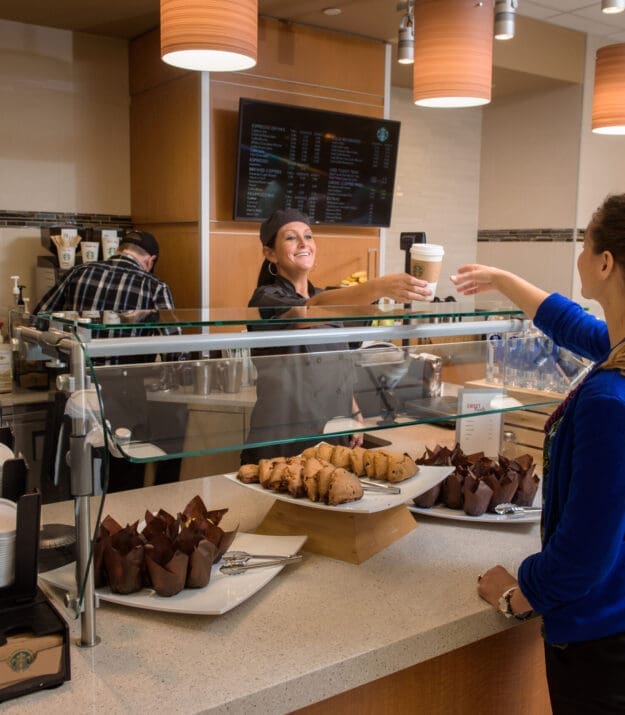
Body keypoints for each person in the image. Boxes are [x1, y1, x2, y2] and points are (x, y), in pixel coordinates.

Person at [451, 193, 625, 713]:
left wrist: (516, 592)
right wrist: (502, 279)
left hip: (602, 643)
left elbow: (580, 560)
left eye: (583, 243)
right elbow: (573, 324)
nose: (579, 256)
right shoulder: (618, 350)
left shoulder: (608, 401)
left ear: (604, 261)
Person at [241, 208, 432, 464]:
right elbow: (310, 311)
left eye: (308, 236)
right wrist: (378, 287)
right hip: (283, 441)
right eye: (290, 237)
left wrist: (353, 411)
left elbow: (341, 365)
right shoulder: (265, 298)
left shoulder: (329, 298)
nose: (303, 243)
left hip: (332, 435)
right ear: (270, 253)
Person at [34, 230, 183, 492]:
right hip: (124, 395)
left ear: (119, 248)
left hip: (75, 389)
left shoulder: (77, 273)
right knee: (121, 483)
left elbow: (38, 321)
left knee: (74, 476)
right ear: (150, 260)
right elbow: (176, 352)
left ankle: (77, 531)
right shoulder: (153, 286)